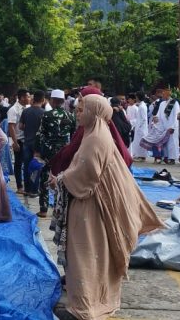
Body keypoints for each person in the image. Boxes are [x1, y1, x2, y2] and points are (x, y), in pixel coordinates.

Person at [51, 95, 162, 319]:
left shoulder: (95, 138)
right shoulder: (95, 134)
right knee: (93, 255)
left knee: (85, 253)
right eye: (78, 109)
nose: (78, 113)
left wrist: (60, 180)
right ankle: (90, 302)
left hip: (91, 206)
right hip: (92, 204)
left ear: (94, 111)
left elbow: (87, 175)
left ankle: (84, 309)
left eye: (82, 109)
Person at [36, 89, 76, 216]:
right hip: (65, 152)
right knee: (62, 178)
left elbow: (41, 135)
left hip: (49, 152)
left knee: (45, 178)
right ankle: (61, 208)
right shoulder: (71, 116)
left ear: (52, 101)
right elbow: (73, 136)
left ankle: (43, 209)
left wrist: (40, 152)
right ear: (63, 101)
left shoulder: (46, 115)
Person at [18, 91, 47, 198]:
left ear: (33, 99)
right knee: (36, 167)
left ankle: (27, 188)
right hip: (38, 145)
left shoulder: (25, 111)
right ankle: (34, 190)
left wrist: (28, 128)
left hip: (27, 142)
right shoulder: (44, 113)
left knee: (26, 166)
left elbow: (20, 126)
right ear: (43, 100)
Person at [8, 89, 30, 194]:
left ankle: (29, 185)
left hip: (29, 139)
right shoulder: (14, 109)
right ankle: (19, 186)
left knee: (28, 163)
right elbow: (11, 127)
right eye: (27, 97)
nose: (29, 99)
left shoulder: (28, 108)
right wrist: (15, 142)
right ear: (22, 97)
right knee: (18, 163)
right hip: (19, 139)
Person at [129, 92, 149, 160]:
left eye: (136, 97)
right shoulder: (141, 105)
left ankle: (142, 156)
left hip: (141, 128)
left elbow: (144, 119)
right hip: (139, 127)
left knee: (141, 142)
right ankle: (139, 155)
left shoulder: (142, 106)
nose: (136, 98)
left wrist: (139, 127)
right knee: (138, 142)